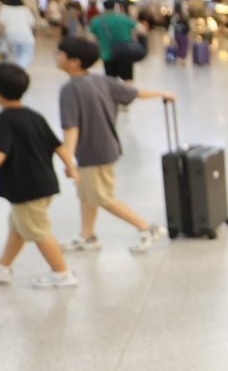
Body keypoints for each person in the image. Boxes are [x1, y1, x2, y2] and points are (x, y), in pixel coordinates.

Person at [54, 36, 172, 253]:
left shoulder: (70, 89)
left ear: (74, 61)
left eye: (60, 53)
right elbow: (134, 93)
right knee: (87, 193)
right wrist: (162, 93)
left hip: (93, 152)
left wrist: (68, 159)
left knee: (101, 196)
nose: (56, 56)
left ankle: (147, 228)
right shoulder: (103, 81)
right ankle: (87, 236)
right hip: (106, 147)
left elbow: (71, 128)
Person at [0, 62, 80, 288]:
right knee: (19, 227)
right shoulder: (34, 116)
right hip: (43, 185)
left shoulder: (3, 120)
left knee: (38, 231)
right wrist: (71, 167)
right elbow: (58, 146)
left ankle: (62, 273)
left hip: (26, 189)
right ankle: (3, 266)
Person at [88, 0, 143, 82]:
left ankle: (113, 95)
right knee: (127, 80)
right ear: (115, 6)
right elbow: (141, 29)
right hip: (125, 52)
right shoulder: (124, 18)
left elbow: (91, 39)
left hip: (107, 54)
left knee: (111, 80)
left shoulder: (96, 20)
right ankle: (127, 95)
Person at [0, 0, 38, 67]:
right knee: (27, 53)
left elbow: (0, 23)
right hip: (25, 34)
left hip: (11, 34)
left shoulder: (4, 9)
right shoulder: (25, 9)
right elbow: (32, 23)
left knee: (17, 54)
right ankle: (20, 69)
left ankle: (17, 69)